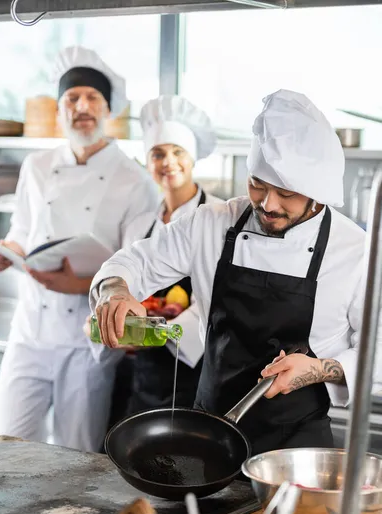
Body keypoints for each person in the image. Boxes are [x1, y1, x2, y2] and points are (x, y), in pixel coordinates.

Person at [90, 89, 382, 456]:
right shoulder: (212, 223)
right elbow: (132, 262)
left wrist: (321, 368)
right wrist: (115, 291)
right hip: (208, 435)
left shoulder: (356, 251)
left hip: (295, 449)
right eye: (258, 185)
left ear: (318, 193)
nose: (268, 204)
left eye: (286, 192)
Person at [0, 46, 159, 452]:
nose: (82, 106)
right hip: (29, 331)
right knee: (6, 449)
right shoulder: (37, 167)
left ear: (108, 108)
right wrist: (3, 253)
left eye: (92, 97)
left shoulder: (134, 180)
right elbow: (22, 232)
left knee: (74, 456)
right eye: (72, 98)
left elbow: (138, 269)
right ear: (60, 110)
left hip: (88, 339)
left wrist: (76, 285)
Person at [121, 95, 222, 414]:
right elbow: (130, 286)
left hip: (200, 362)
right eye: (158, 154)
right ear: (147, 162)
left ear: (192, 158)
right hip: (147, 369)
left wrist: (164, 331)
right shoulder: (139, 224)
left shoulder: (219, 217)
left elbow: (222, 296)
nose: (168, 162)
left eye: (178, 152)